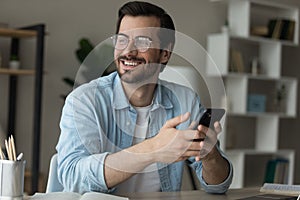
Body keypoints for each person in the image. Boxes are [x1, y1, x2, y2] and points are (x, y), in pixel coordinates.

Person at [56, 1, 233, 195]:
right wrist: (153, 148)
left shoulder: (185, 100)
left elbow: (219, 185)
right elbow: (73, 178)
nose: (128, 51)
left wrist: (210, 156)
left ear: (165, 53)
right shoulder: (84, 100)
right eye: (122, 40)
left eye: (142, 42)